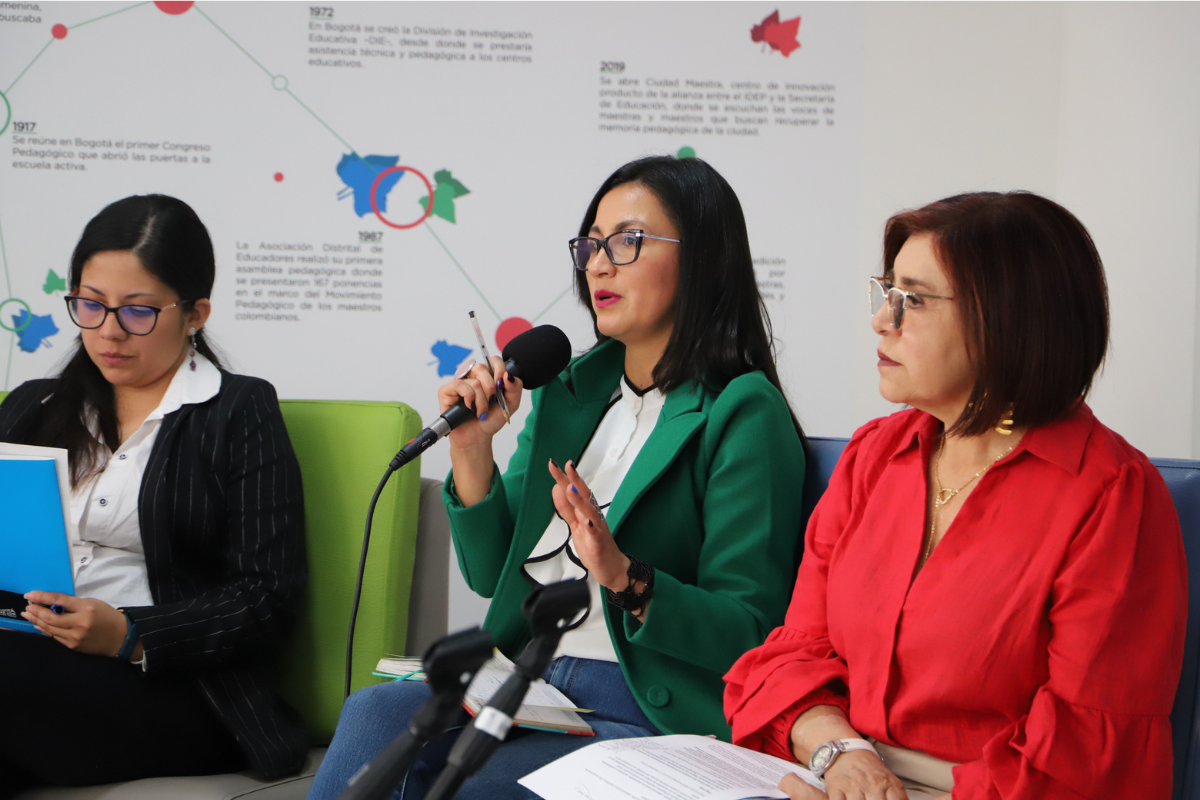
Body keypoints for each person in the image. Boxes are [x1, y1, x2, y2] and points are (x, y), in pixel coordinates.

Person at [310, 156, 808, 799]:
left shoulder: (742, 410)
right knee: (371, 715)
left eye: (628, 241)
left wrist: (626, 578)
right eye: (592, 245)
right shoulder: (572, 390)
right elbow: (492, 574)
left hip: (640, 707)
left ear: (702, 258)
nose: (598, 264)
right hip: (527, 682)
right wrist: (471, 449)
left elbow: (750, 629)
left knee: (477, 788)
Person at [724, 191, 1187, 800]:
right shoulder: (873, 456)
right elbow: (794, 656)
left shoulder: (1112, 496)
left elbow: (1085, 760)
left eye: (912, 300)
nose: (881, 320)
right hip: (837, 772)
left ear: (1010, 319)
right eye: (887, 292)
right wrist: (843, 756)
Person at [0, 195, 309, 793]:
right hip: (28, 662)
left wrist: (129, 633)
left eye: (137, 312)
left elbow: (268, 596)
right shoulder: (31, 405)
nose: (108, 332)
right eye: (89, 306)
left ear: (195, 313)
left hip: (174, 687)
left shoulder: (238, 411)